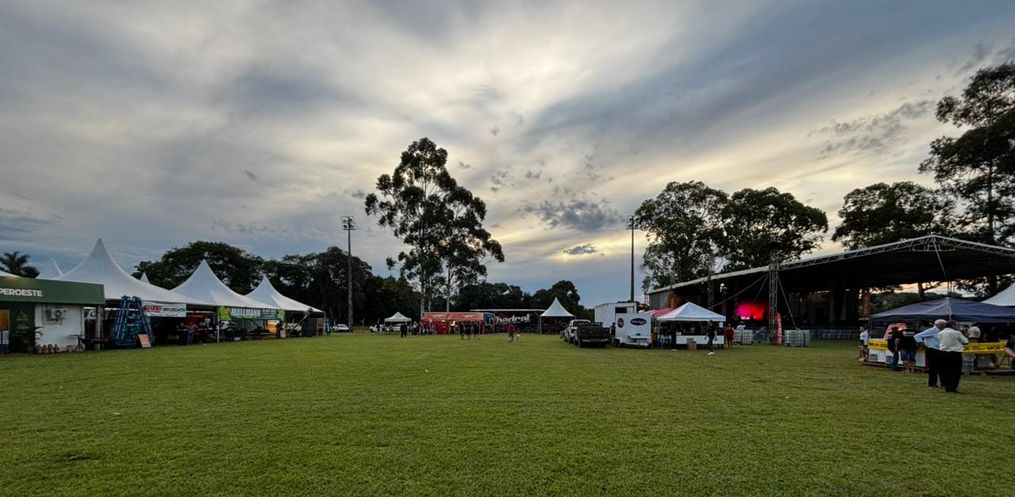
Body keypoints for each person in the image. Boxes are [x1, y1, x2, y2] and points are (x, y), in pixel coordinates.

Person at [937, 320, 969, 393]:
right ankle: (953, 387)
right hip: (955, 353)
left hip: (943, 353)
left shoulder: (940, 333)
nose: (957, 326)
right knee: (955, 371)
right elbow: (965, 341)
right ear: (953, 325)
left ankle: (947, 386)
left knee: (946, 370)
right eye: (956, 325)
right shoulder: (956, 332)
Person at [915, 319, 946, 388]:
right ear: (937, 325)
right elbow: (917, 336)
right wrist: (923, 345)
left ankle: (943, 383)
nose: (943, 326)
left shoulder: (943, 331)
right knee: (933, 368)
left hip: (941, 350)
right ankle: (932, 383)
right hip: (933, 350)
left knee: (942, 367)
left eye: (944, 325)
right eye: (942, 325)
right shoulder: (931, 331)